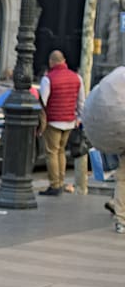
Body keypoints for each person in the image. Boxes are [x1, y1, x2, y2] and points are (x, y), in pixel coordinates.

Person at [38, 50, 85, 196]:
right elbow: (81, 101)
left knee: (52, 152)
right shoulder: (77, 78)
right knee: (61, 151)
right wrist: (79, 119)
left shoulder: (48, 79)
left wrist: (40, 123)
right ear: (64, 61)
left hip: (53, 121)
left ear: (51, 62)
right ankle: (61, 180)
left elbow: (43, 102)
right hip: (70, 121)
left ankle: (55, 184)